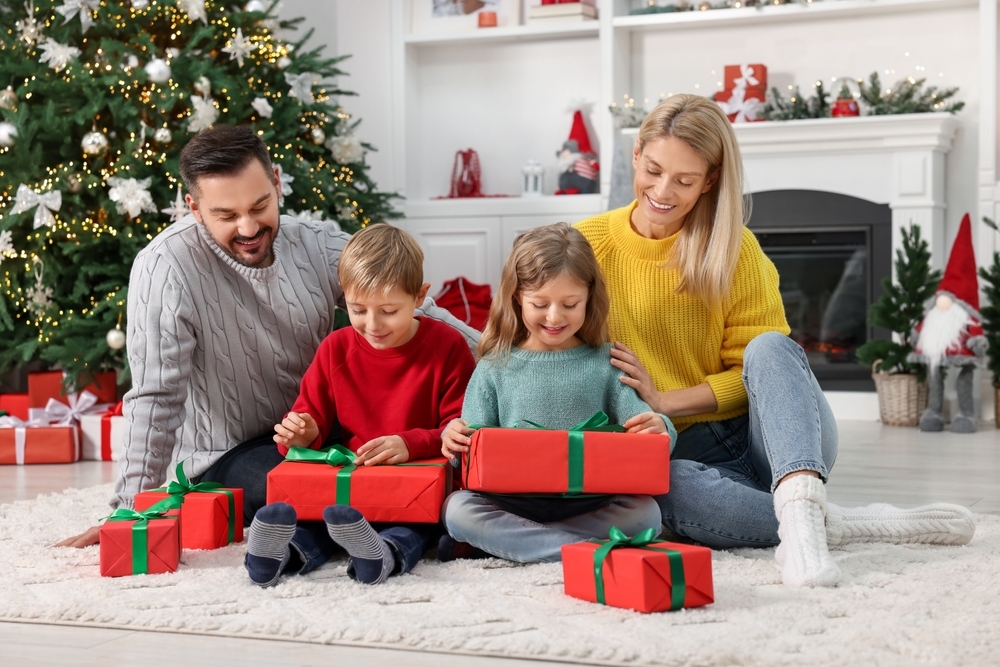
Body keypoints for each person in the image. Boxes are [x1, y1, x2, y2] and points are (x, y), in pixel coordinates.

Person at [572, 94, 976, 587]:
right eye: (653, 170)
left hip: (775, 435)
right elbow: (533, 337)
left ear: (711, 180)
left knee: (768, 346)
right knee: (660, 489)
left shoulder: (735, 248)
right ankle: (831, 522)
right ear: (636, 153)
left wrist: (666, 398)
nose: (662, 191)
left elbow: (763, 372)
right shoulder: (585, 245)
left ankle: (801, 510)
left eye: (684, 181)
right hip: (681, 451)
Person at [57, 125, 478, 548]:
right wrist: (128, 508)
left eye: (260, 205)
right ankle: (381, 533)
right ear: (194, 208)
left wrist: (521, 354)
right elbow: (155, 397)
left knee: (382, 474)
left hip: (319, 435)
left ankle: (370, 528)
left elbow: (414, 309)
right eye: (226, 215)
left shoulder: (316, 244)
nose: (248, 226)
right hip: (230, 452)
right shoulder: (165, 267)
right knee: (291, 490)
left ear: (276, 182)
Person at [246, 224, 476, 586]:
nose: (372, 325)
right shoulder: (335, 349)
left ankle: (383, 554)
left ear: (419, 297)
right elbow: (306, 425)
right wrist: (301, 433)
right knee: (317, 519)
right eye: (358, 310)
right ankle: (280, 554)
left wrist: (409, 444)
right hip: (351, 487)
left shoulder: (447, 346)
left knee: (418, 525)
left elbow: (461, 428)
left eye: (388, 310)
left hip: (417, 487)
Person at [440, 223, 675, 563]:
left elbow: (648, 433)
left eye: (569, 303)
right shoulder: (494, 366)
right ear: (517, 296)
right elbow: (468, 454)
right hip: (511, 504)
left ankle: (527, 546)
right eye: (540, 303)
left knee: (646, 514)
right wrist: (454, 440)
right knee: (456, 509)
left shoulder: (607, 363)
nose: (554, 316)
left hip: (589, 503)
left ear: (589, 298)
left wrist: (661, 428)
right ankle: (580, 551)